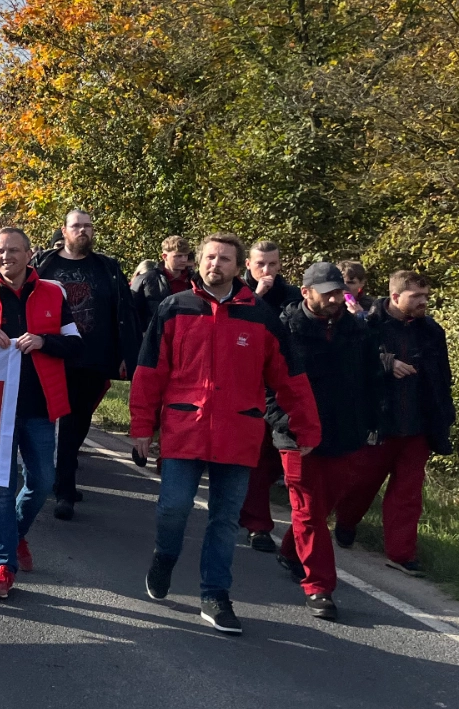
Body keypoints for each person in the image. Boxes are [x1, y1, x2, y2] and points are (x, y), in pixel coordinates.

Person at [132, 233, 319, 634]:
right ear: (199, 262)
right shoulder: (173, 307)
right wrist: (141, 427)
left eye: (225, 259)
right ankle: (164, 556)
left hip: (239, 432)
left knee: (224, 519)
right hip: (185, 429)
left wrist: (306, 425)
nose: (215, 264)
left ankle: (214, 594)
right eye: (210, 257)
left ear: (239, 267)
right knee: (173, 508)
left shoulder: (261, 316)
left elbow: (290, 378)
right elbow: (149, 372)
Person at [0, 228, 83, 599]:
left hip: (40, 406)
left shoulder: (53, 294)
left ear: (29, 255)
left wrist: (44, 341)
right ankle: (3, 565)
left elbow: (75, 345)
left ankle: (16, 533)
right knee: (0, 488)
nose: (5, 257)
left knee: (42, 482)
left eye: (12, 251)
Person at [268, 262, 384, 621]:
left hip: (345, 433)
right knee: (307, 510)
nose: (336, 298)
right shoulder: (285, 329)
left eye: (339, 291)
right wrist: (289, 425)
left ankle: (290, 552)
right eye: (327, 292)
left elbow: (371, 380)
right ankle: (319, 586)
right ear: (306, 292)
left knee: (322, 507)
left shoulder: (357, 330)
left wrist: (371, 423)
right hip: (297, 436)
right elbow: (267, 388)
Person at [332, 271, 454, 577]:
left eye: (426, 296)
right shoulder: (366, 323)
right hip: (378, 421)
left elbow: (442, 378)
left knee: (408, 493)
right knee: (361, 483)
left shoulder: (431, 331)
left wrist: (443, 417)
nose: (423, 302)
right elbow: (350, 365)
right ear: (396, 297)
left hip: (418, 425)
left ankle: (402, 554)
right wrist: (387, 362)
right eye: (417, 296)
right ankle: (346, 521)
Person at [35, 210, 139, 519]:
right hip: (52, 354)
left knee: (78, 423)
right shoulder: (45, 265)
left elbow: (124, 311)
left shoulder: (107, 267)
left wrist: (125, 353)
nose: (83, 231)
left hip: (93, 357)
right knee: (49, 420)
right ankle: (60, 487)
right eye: (76, 226)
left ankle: (63, 480)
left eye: (88, 226)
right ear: (64, 231)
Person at [239, 238, 304, 551]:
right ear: (248, 265)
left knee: (283, 459)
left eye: (273, 264)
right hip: (248, 386)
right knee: (257, 458)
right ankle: (257, 525)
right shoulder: (238, 294)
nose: (267, 270)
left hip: (283, 385)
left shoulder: (293, 296)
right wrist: (257, 296)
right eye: (260, 264)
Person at [131, 235, 193, 336]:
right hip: (155, 338)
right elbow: (131, 313)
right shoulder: (146, 280)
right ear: (164, 257)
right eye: (178, 256)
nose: (183, 260)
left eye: (185, 255)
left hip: (188, 337)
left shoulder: (195, 281)